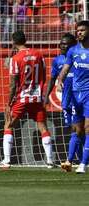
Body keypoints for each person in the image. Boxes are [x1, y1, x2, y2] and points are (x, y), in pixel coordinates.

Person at [0, 31, 55, 169]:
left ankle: (7, 161)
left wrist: (9, 102)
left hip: (22, 97)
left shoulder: (16, 59)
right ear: (25, 40)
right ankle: (50, 161)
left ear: (13, 42)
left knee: (8, 125)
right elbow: (44, 76)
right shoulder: (39, 54)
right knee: (42, 127)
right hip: (37, 97)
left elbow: (13, 84)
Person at [44, 33, 84, 172]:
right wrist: (46, 96)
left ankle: (73, 160)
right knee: (75, 130)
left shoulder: (80, 57)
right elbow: (52, 78)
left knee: (77, 130)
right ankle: (79, 160)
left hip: (79, 99)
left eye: (65, 43)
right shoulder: (58, 60)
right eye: (61, 43)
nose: (61, 45)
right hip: (66, 102)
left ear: (73, 45)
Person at [57, 20, 89, 174]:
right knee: (77, 130)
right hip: (76, 96)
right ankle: (69, 161)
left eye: (82, 30)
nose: (79, 33)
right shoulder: (73, 51)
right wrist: (60, 80)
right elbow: (65, 68)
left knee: (88, 128)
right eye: (78, 30)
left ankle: (82, 164)